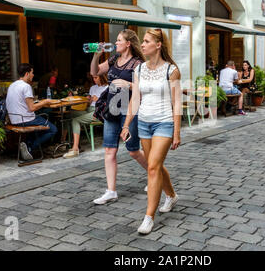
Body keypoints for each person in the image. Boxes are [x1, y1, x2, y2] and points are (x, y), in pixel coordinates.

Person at [120, 28, 181, 234]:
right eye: (143, 41)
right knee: (155, 165)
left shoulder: (171, 70)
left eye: (146, 41)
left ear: (158, 45)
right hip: (144, 123)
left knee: (153, 166)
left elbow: (177, 103)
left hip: (164, 123)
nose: (142, 44)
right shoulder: (139, 70)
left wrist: (177, 132)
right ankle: (171, 196)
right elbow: (135, 99)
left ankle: (148, 217)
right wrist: (127, 124)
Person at [90, 30, 149, 205]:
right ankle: (111, 191)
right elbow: (96, 71)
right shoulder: (114, 59)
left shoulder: (138, 63)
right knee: (109, 150)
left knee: (132, 150)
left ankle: (155, 173)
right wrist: (96, 56)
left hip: (130, 109)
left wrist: (128, 84)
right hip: (112, 107)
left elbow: (144, 88)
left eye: (118, 40)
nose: (115, 43)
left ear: (128, 43)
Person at [6, 63, 58, 160]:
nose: (33, 75)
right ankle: (30, 147)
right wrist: (45, 101)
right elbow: (32, 108)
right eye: (32, 72)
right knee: (53, 129)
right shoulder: (26, 86)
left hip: (14, 119)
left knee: (39, 119)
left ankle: (27, 145)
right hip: (25, 120)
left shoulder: (12, 85)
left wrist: (39, 103)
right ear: (27, 74)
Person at [62, 74, 108, 159]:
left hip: (99, 112)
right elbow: (88, 104)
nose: (94, 80)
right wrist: (88, 100)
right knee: (68, 115)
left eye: (96, 77)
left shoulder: (107, 88)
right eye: (93, 78)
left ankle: (75, 148)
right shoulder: (92, 88)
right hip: (89, 110)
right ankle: (63, 142)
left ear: (101, 77)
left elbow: (110, 105)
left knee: (76, 120)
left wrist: (99, 100)